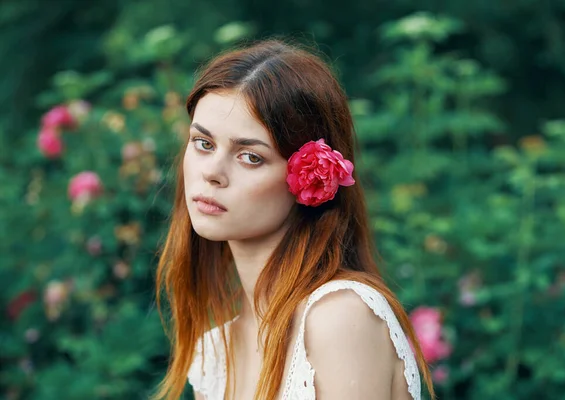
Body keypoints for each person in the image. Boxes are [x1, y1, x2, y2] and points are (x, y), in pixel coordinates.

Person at [152, 38, 434, 400]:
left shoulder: (340, 317)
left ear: (308, 176)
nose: (212, 173)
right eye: (203, 144)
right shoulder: (215, 354)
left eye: (250, 157)